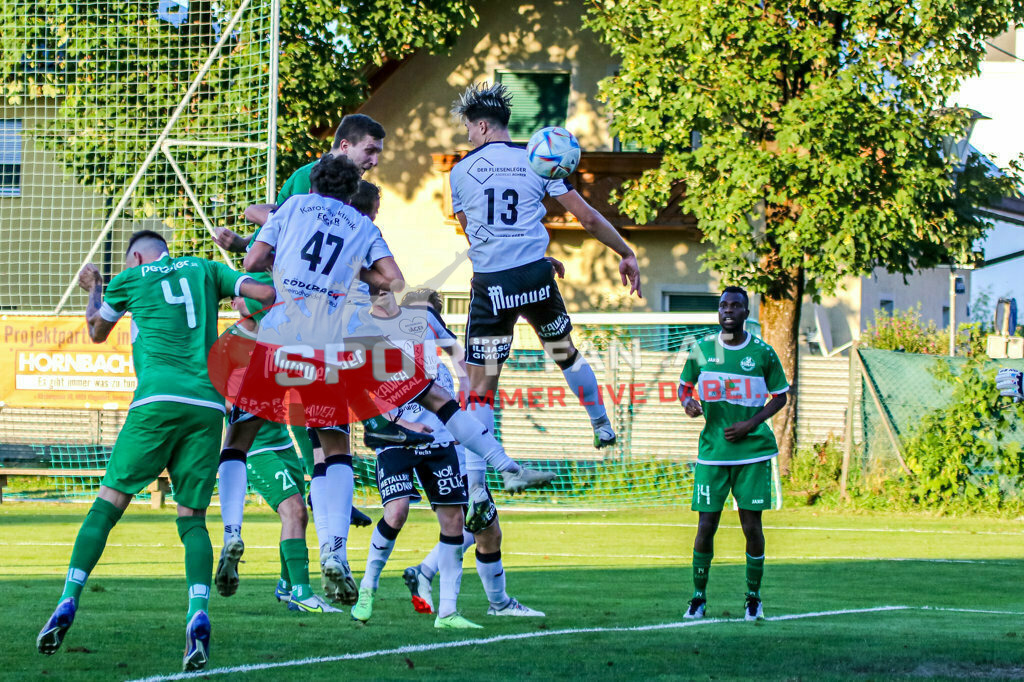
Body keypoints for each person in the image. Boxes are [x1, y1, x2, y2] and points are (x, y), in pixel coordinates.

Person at [223, 154, 555, 604]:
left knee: (242, 439)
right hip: (339, 343)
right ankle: (340, 550)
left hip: (282, 338)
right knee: (368, 430)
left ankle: (231, 533)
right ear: (353, 193)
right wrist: (353, 270)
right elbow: (394, 284)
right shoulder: (362, 228)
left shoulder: (294, 207)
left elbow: (254, 258)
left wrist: (287, 264)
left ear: (314, 184)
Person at [36, 230, 276, 671]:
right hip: (207, 406)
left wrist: (95, 287)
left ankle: (69, 597)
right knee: (192, 518)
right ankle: (197, 612)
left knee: (108, 503)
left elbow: (96, 330)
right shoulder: (205, 269)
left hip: (156, 400)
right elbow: (264, 293)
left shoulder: (130, 279)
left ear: (136, 257)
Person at [448, 82, 642, 454]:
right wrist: (625, 251)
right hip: (535, 277)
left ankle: (477, 480)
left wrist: (511, 257)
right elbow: (588, 218)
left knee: (481, 384)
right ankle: (601, 423)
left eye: (469, 128)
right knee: (564, 352)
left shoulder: (460, 171)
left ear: (482, 126)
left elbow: (474, 234)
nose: (469, 136)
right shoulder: (539, 159)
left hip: (492, 285)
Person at [400, 289, 544, 618]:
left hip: (452, 453)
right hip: (447, 456)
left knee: (483, 528)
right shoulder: (409, 364)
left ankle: (429, 573)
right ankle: (491, 602)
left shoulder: (431, 365)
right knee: (482, 526)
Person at [350, 290, 479, 629]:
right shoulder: (382, 346)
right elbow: (366, 394)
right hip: (397, 439)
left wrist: (460, 420)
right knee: (397, 512)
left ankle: (448, 612)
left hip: (438, 443)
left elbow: (458, 387)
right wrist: (401, 424)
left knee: (454, 521)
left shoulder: (441, 368)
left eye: (431, 317)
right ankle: (368, 588)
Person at [215, 301, 341, 614]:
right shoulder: (229, 342)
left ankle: (286, 586)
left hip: (283, 443)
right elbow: (214, 391)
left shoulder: (280, 340)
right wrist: (237, 405)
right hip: (253, 448)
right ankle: (302, 593)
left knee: (299, 515)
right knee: (294, 511)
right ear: (235, 301)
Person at [678, 286, 789, 622]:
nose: (728, 310)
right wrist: (688, 403)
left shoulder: (762, 352)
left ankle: (753, 598)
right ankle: (698, 599)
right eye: (723, 305)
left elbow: (781, 396)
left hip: (751, 454)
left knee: (751, 527)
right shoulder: (703, 350)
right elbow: (684, 387)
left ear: (746, 312)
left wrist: (750, 424)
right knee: (705, 526)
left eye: (735, 305)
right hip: (713, 452)